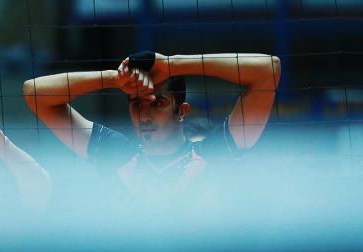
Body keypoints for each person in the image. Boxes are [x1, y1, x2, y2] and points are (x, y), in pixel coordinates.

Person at [22, 51, 281, 208]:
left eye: (158, 104)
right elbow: (34, 93)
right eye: (136, 104)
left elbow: (268, 70)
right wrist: (114, 79)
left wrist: (171, 65)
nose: (145, 115)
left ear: (182, 110)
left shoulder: (216, 152)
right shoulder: (116, 154)